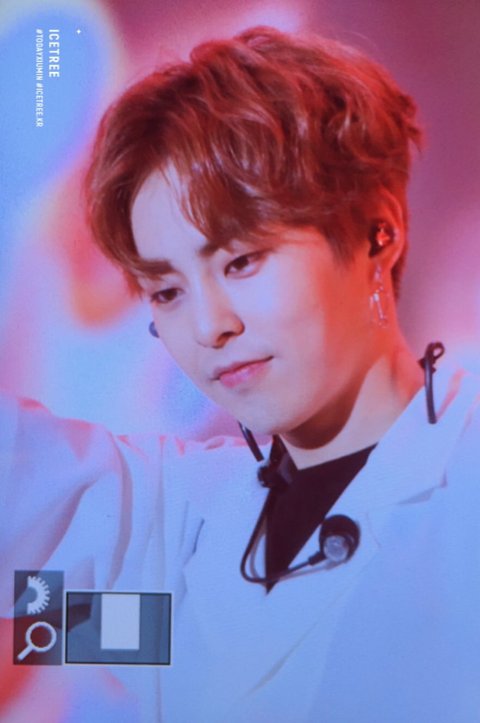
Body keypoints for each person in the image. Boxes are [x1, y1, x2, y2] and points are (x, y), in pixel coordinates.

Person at [2, 25, 480, 723]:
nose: (209, 325)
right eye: (167, 291)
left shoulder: (461, 484)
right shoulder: (191, 518)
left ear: (376, 233)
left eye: (242, 261)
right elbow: (136, 630)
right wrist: (38, 633)